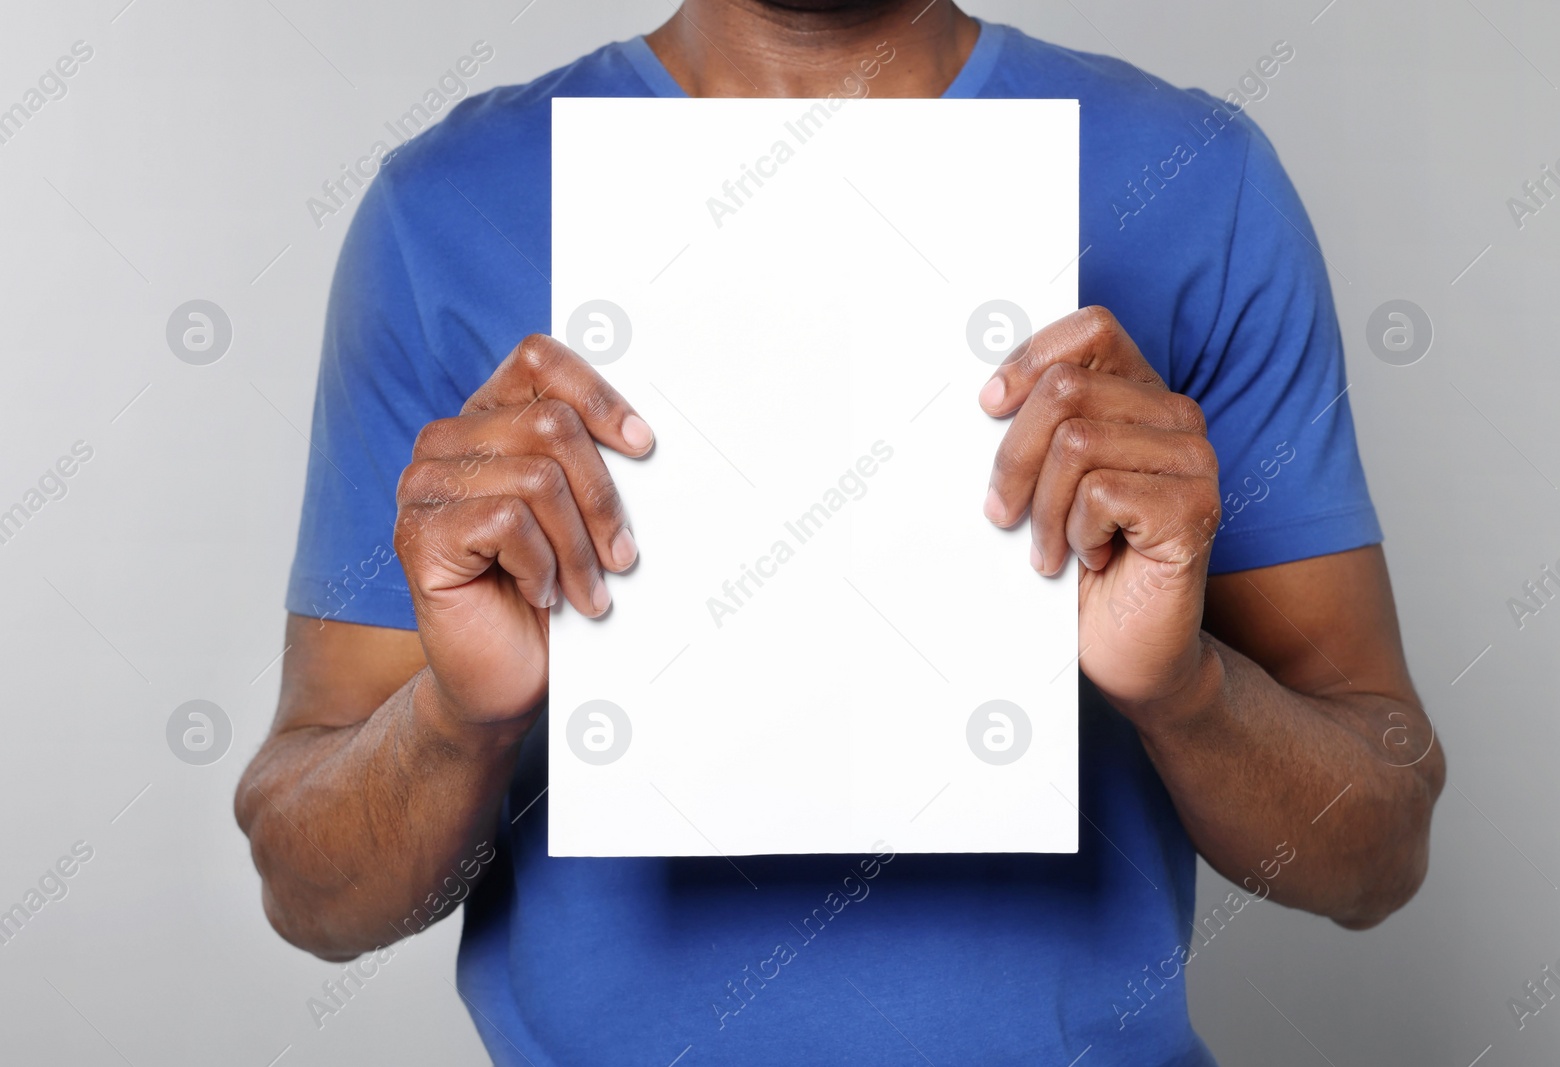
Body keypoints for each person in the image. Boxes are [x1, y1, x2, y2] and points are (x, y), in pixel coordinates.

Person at [235, 2, 1444, 1063]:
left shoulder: (1196, 180)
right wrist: (463, 714)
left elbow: (1376, 850)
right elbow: (313, 889)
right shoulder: (441, 212)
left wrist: (1180, 688)